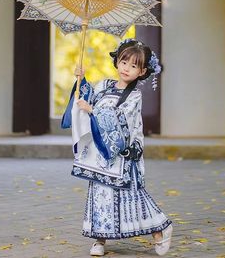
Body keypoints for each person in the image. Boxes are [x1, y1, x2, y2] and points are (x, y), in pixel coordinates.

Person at [61, 39, 173, 256]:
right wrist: (81, 81)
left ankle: (160, 229)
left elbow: (122, 119)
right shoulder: (103, 85)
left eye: (133, 66)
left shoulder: (134, 96)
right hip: (99, 151)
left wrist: (93, 109)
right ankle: (99, 240)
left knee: (132, 194)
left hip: (123, 152)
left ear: (142, 72)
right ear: (117, 62)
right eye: (124, 62)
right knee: (100, 193)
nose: (126, 68)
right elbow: (84, 100)